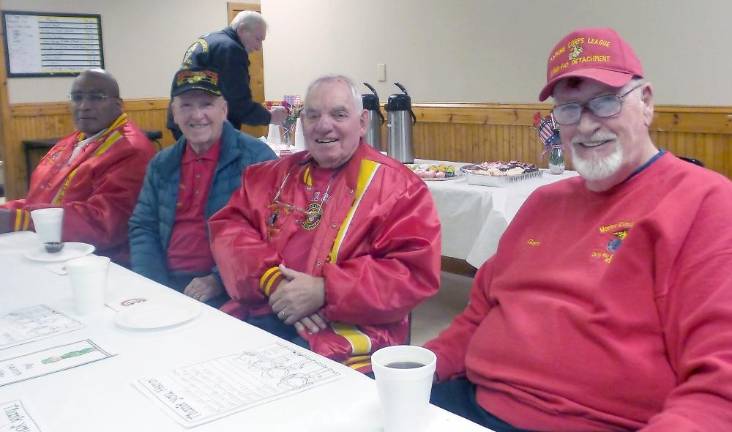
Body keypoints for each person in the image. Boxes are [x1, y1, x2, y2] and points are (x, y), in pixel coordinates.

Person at [425, 27, 732, 432]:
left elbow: (717, 390)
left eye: (604, 102)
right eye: (568, 109)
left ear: (646, 102)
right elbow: (475, 319)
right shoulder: (541, 202)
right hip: (471, 405)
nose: (585, 125)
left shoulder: (707, 204)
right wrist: (415, 371)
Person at [209, 75, 441, 372]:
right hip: (265, 307)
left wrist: (325, 290)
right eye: (313, 115)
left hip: (347, 335)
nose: (323, 125)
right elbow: (229, 229)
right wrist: (272, 280)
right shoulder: (268, 177)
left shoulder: (400, 189)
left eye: (339, 114)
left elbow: (412, 273)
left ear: (363, 122)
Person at [129, 68, 276, 306]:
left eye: (206, 104)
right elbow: (143, 226)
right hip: (166, 282)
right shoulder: (161, 164)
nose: (197, 115)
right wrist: (152, 285)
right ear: (174, 113)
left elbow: (271, 232)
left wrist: (218, 279)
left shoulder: (257, 159)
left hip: (228, 290)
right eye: (186, 106)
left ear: (224, 110)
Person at [0, 69, 156, 264]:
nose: (84, 106)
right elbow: (45, 199)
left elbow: (104, 223)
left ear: (118, 105)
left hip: (100, 262)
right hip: (52, 247)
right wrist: (10, 211)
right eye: (77, 97)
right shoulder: (77, 139)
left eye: (96, 98)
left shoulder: (131, 150)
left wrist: (20, 219)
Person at [166, 10, 287, 139]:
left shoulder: (209, 40)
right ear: (241, 30)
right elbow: (237, 102)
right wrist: (270, 117)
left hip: (184, 118)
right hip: (203, 124)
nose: (258, 47)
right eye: (258, 39)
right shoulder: (230, 49)